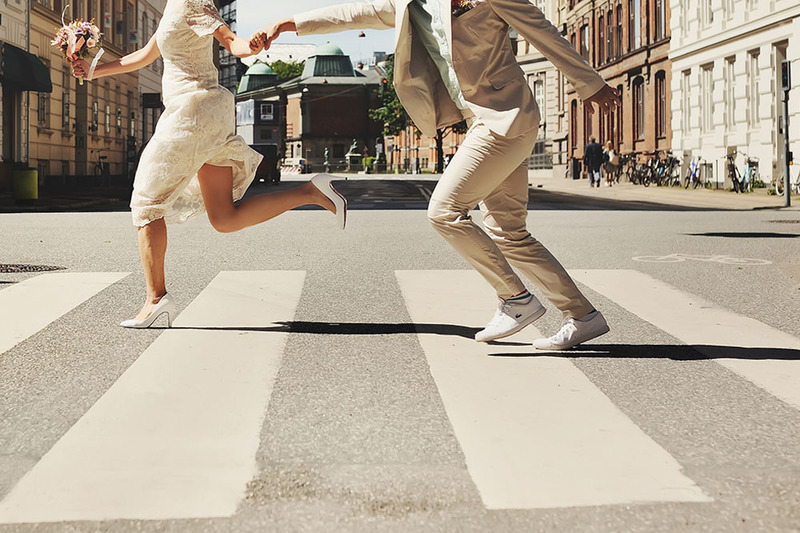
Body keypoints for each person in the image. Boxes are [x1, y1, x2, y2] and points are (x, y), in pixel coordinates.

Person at [252, 0, 619, 350]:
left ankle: (515, 299)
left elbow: (542, 30)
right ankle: (582, 315)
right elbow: (353, 13)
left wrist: (591, 84)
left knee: (444, 211)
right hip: (483, 119)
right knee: (509, 233)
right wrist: (284, 25)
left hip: (506, 117)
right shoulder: (411, 4)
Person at [67, 0, 347, 329]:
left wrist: (249, 48)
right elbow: (144, 56)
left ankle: (156, 299)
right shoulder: (173, 8)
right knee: (225, 218)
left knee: (147, 202)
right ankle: (311, 192)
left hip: (193, 111)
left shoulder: (192, 1)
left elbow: (229, 41)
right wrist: (93, 70)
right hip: (203, 113)